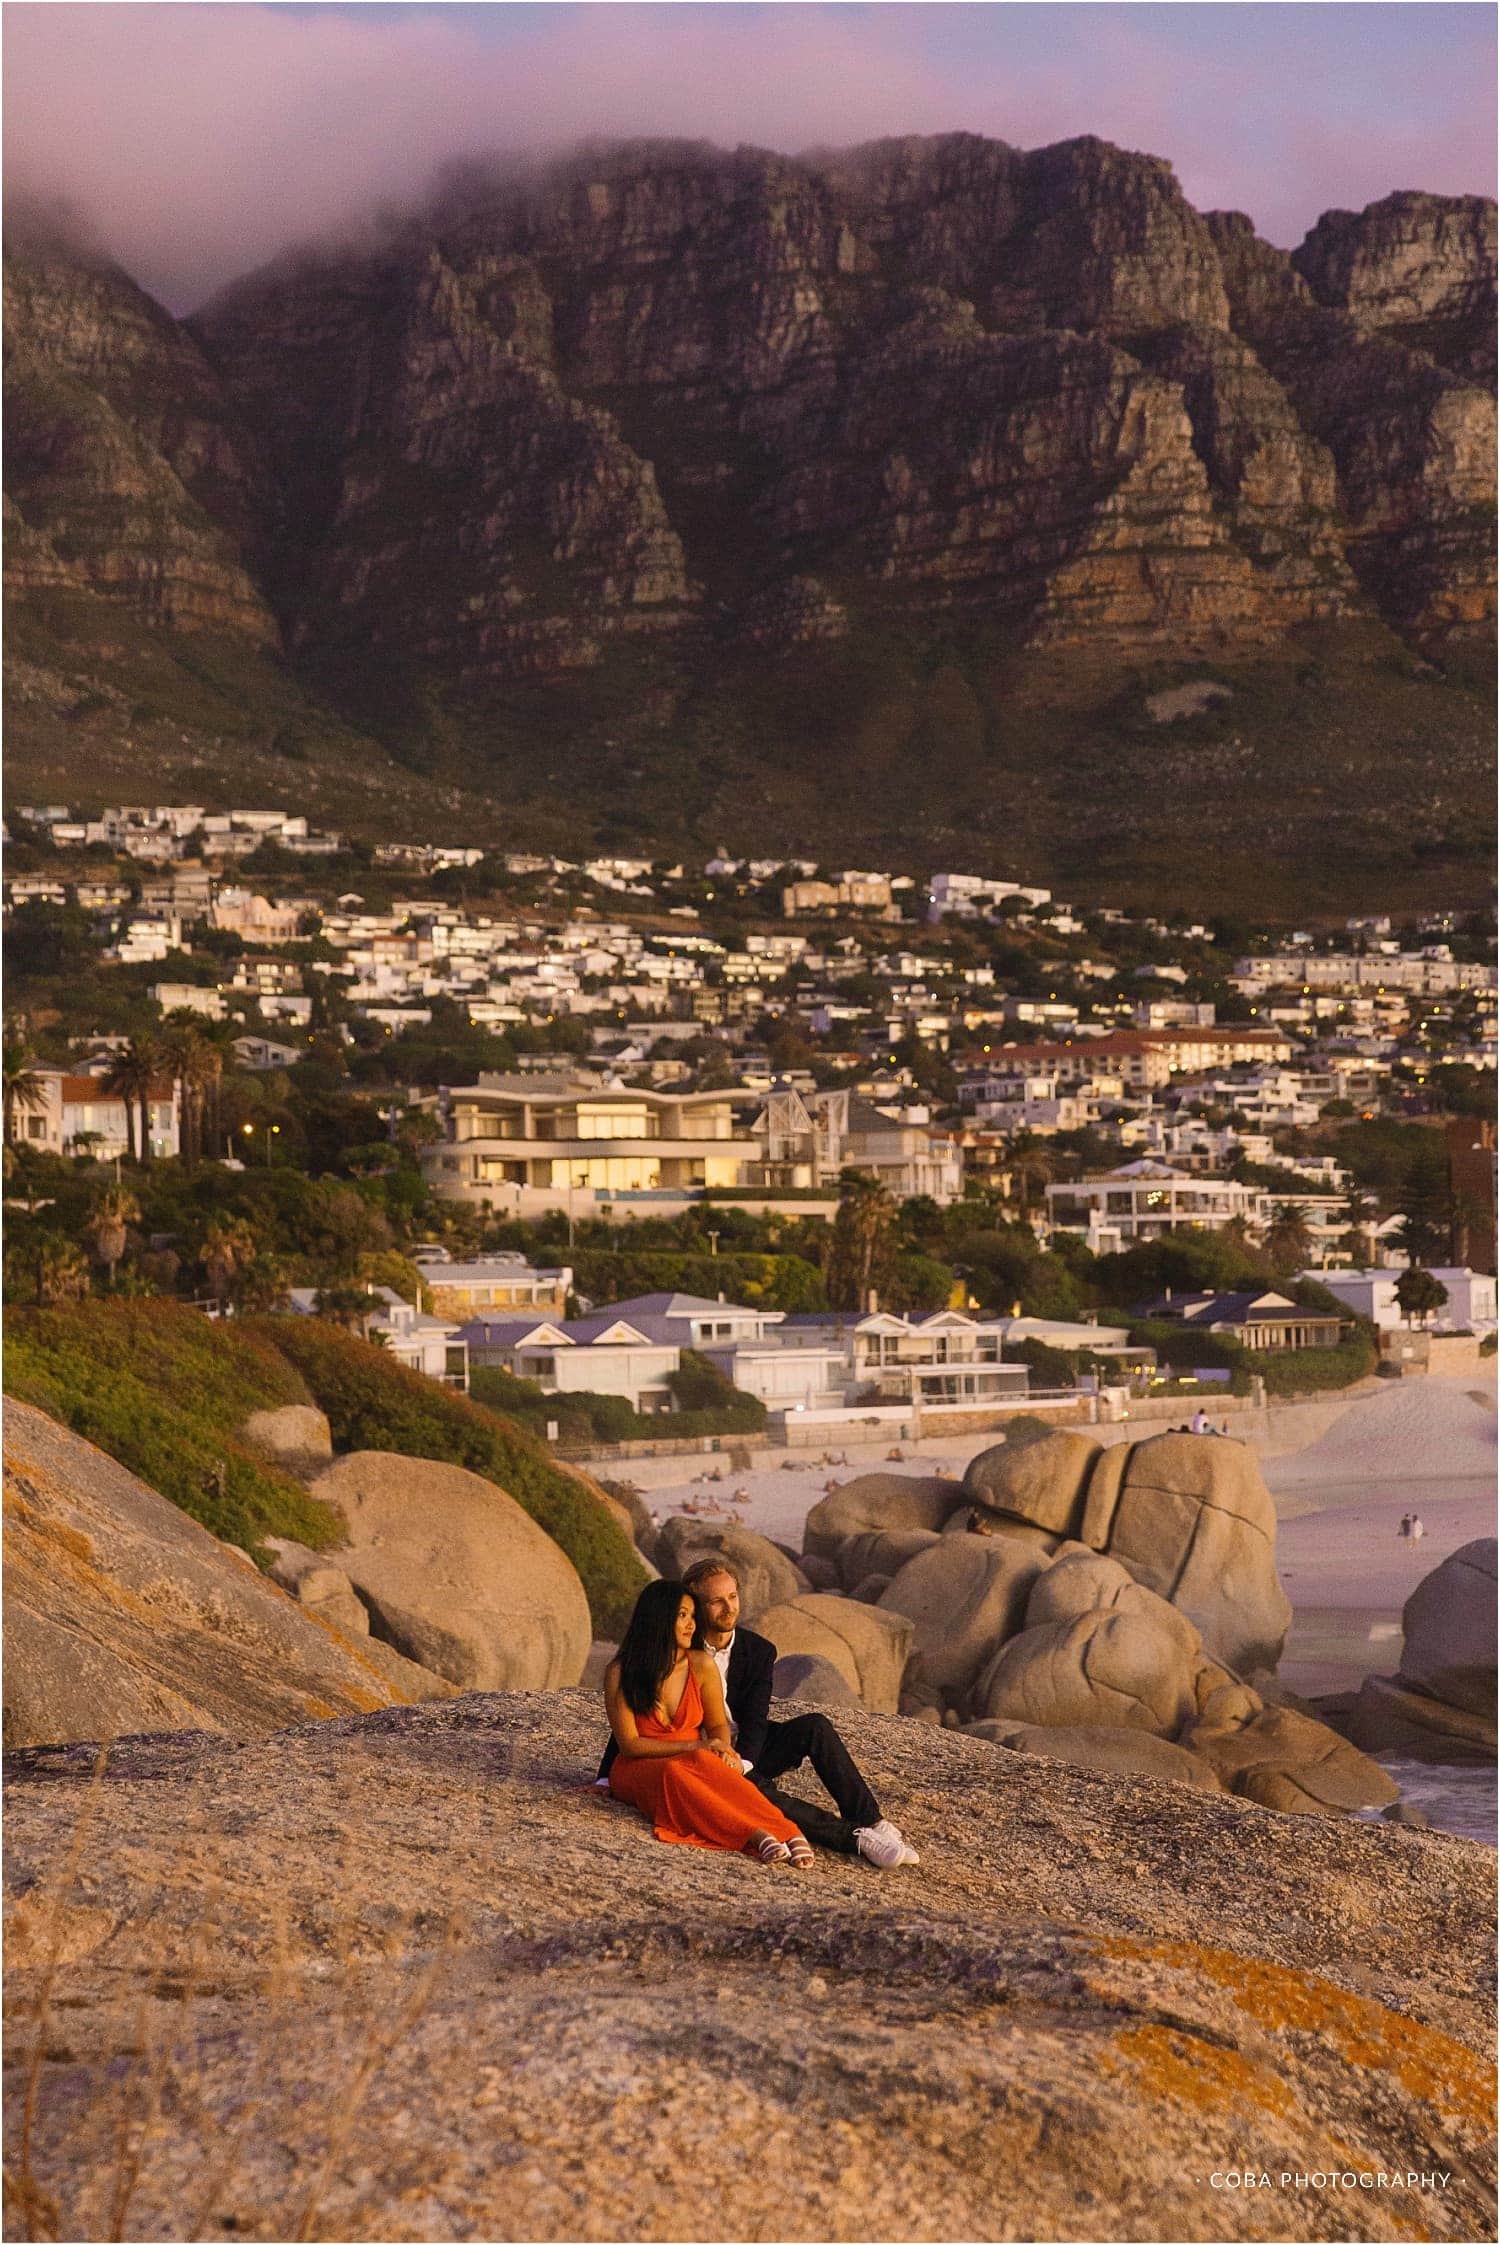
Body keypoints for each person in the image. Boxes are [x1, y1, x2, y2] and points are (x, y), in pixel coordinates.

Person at [602, 1559, 918, 1868]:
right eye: (716, 1602)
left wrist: (741, 1761)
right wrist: (607, 1776)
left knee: (815, 1727)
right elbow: (637, 1720)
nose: (729, 1608)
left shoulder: (758, 1650)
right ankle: (853, 1838)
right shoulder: (677, 1647)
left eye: (733, 1597)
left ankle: (871, 1820)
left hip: (742, 1747)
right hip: (696, 1754)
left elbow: (755, 1718)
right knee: (760, 1793)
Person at [604, 1580, 812, 1865]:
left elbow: (717, 1727)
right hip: (637, 1768)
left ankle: (789, 1831)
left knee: (710, 1769)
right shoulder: (620, 1672)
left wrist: (721, 1753)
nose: (691, 1624)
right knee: (676, 1772)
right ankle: (753, 1835)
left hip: (693, 1758)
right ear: (658, 1619)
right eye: (681, 1616)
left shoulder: (700, 1664)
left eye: (692, 1615)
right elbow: (629, 1745)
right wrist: (698, 1745)